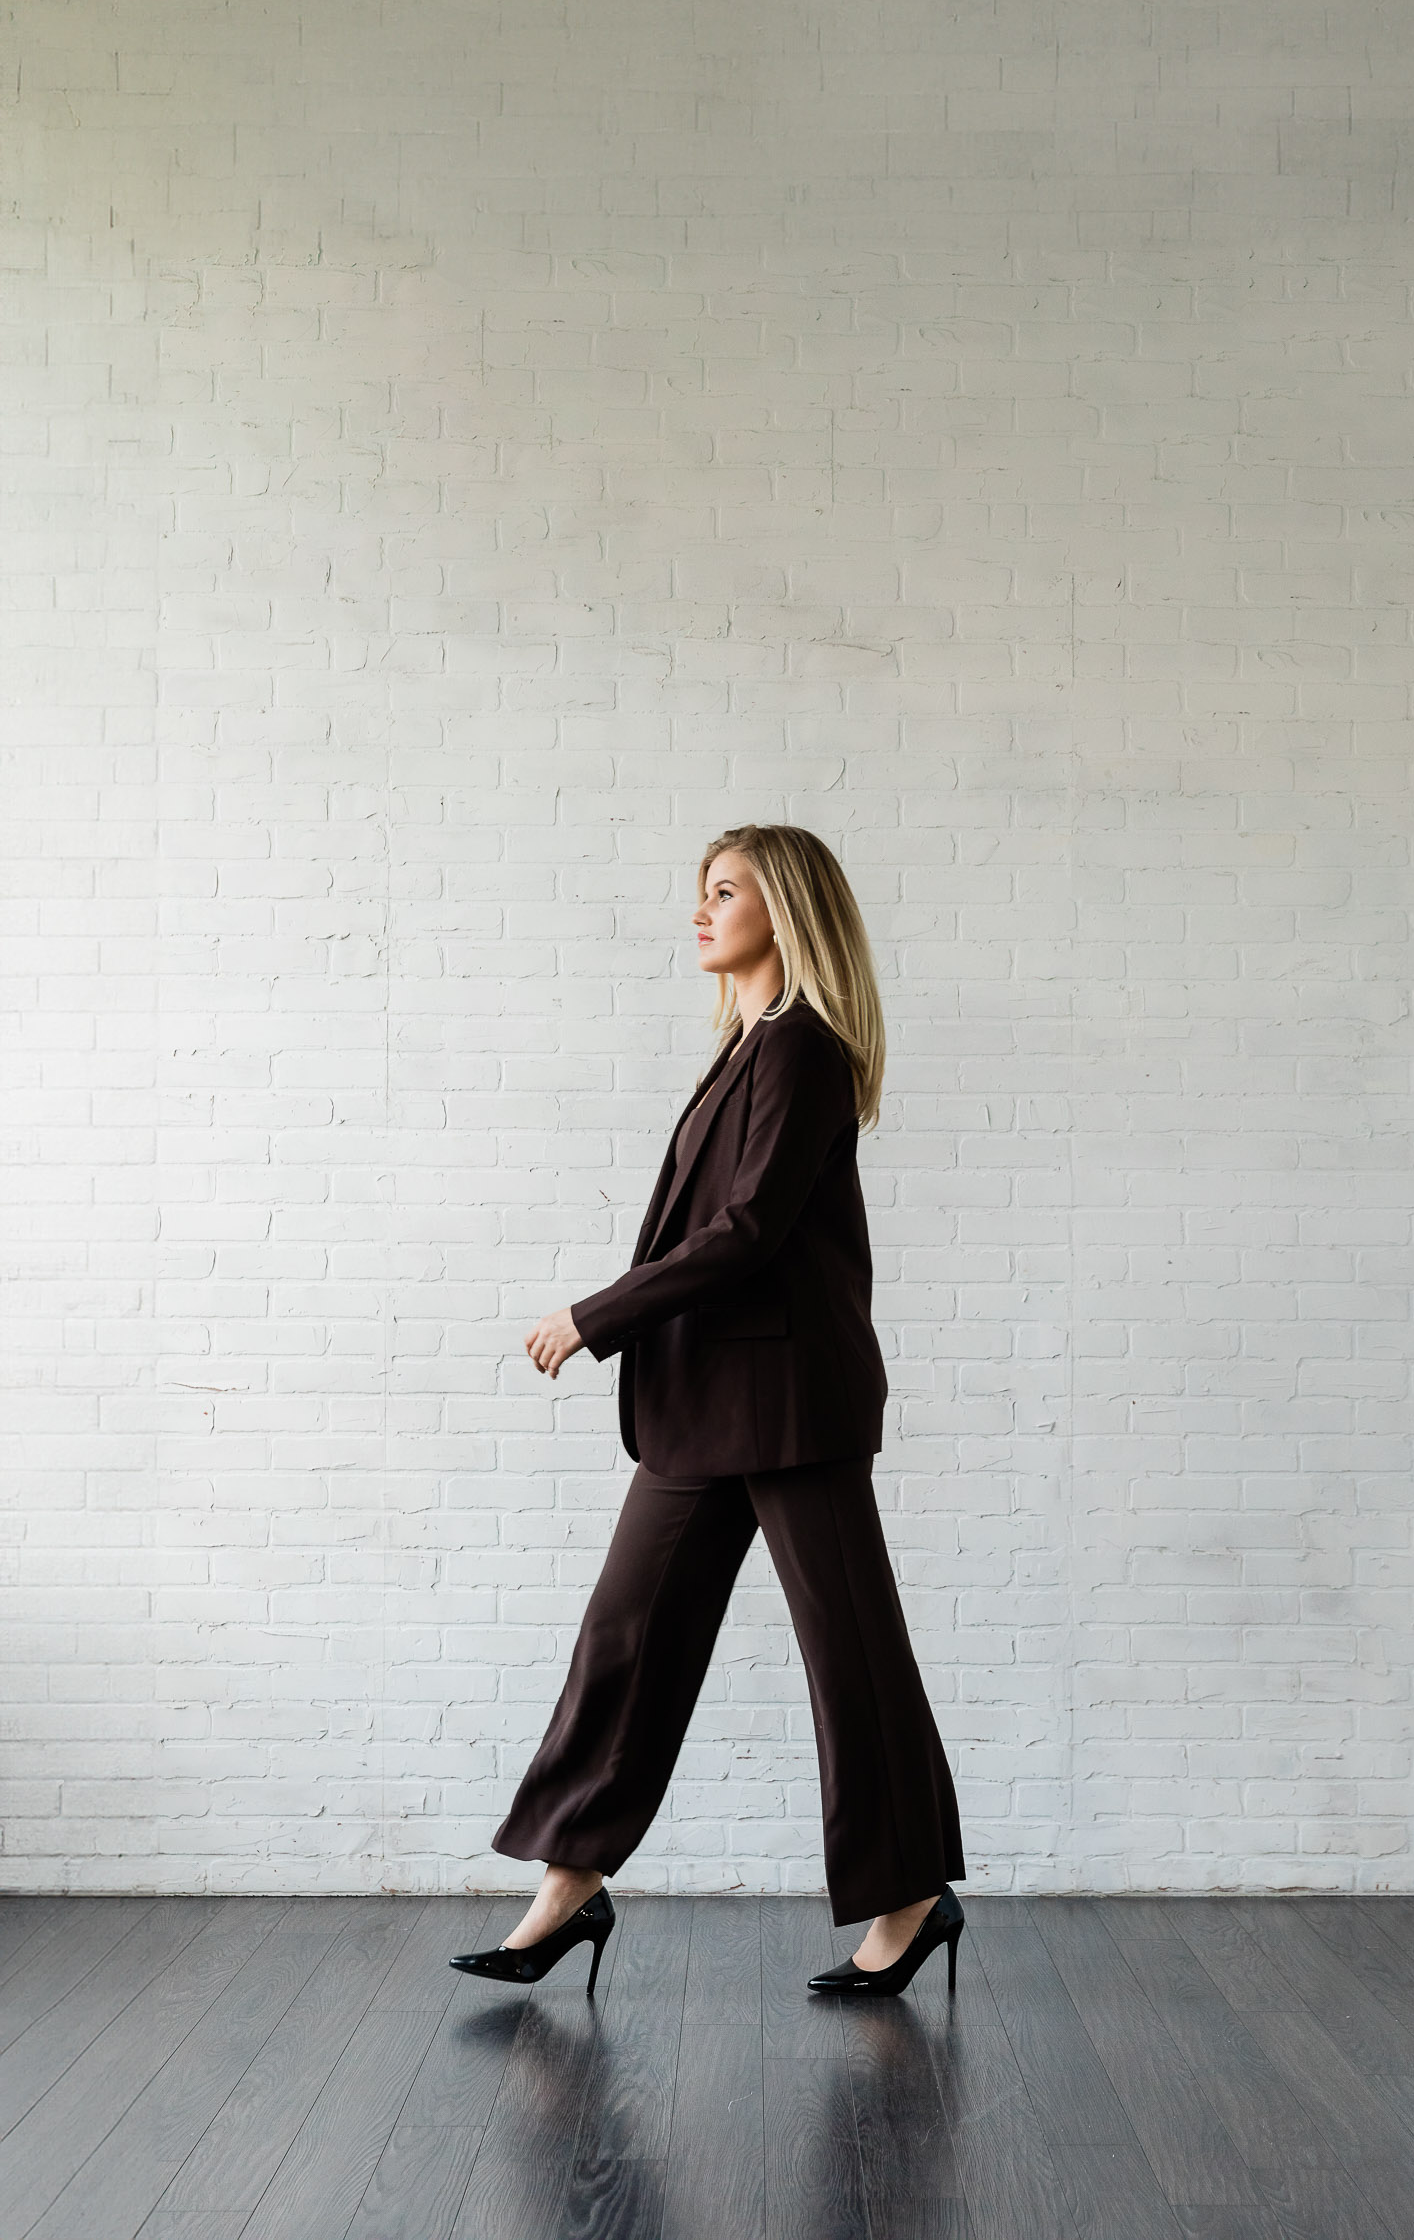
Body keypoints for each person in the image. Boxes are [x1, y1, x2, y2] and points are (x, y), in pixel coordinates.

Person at [450, 824, 966, 1997]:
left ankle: (910, 1900)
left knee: (851, 1655)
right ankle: (564, 1898)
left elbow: (744, 1235)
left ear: (782, 912)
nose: (701, 911)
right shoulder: (747, 1049)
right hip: (705, 1405)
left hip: (789, 1403)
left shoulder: (802, 1053)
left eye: (723, 892)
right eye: (702, 891)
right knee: (628, 1641)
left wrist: (595, 1315)